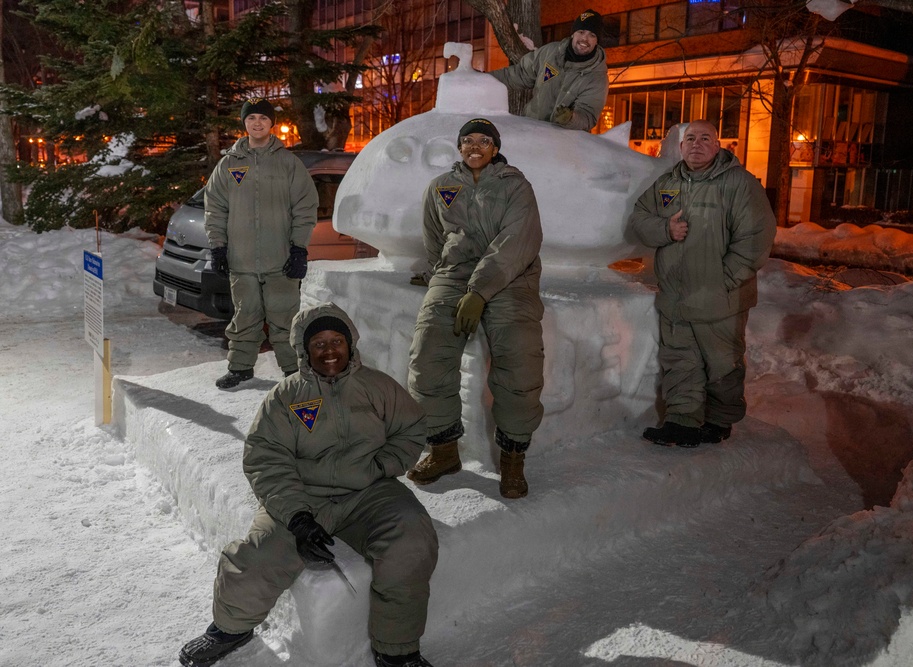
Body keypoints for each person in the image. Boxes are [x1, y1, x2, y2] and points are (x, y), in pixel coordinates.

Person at [179, 303, 439, 667]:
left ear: (350, 344)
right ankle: (229, 629)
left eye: (337, 341)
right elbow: (265, 458)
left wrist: (382, 465)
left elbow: (411, 430)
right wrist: (297, 517)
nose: (329, 351)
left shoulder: (378, 386)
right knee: (258, 555)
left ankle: (397, 651)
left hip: (370, 492)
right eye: (318, 343)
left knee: (412, 536)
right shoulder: (286, 397)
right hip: (303, 496)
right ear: (304, 350)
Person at [405, 118, 544, 499]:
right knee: (428, 351)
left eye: (484, 141)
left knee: (520, 355)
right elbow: (434, 238)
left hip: (512, 276)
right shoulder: (441, 187)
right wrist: (441, 276)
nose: (475, 147)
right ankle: (443, 449)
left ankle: (513, 458)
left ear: (495, 148)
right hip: (455, 276)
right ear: (459, 147)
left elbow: (520, 239)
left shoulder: (516, 186)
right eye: (467, 141)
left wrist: (480, 291)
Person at [627, 120, 776, 448]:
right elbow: (640, 217)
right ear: (680, 148)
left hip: (721, 297)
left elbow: (756, 237)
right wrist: (665, 230)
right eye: (690, 138)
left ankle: (719, 420)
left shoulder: (739, 184)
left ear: (718, 145)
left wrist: (724, 281)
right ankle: (683, 423)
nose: (696, 144)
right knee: (680, 360)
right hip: (677, 297)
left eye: (705, 138)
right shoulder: (668, 183)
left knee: (722, 363)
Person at [205, 97, 319, 390]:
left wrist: (298, 247)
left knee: (284, 319)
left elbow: (305, 207)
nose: (257, 123)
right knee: (244, 317)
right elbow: (215, 207)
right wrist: (218, 246)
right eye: (252, 118)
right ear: (244, 123)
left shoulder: (288, 163)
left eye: (263, 119)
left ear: (272, 124)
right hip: (241, 260)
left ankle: (293, 370)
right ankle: (241, 368)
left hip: (280, 259)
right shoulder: (229, 164)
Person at [489, 9, 608, 132]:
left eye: (592, 35)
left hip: (562, 143)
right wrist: (483, 78)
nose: (585, 39)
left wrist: (570, 118)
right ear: (573, 33)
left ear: (597, 41)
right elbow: (519, 74)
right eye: (581, 32)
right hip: (530, 129)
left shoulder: (597, 78)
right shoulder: (549, 52)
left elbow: (587, 115)